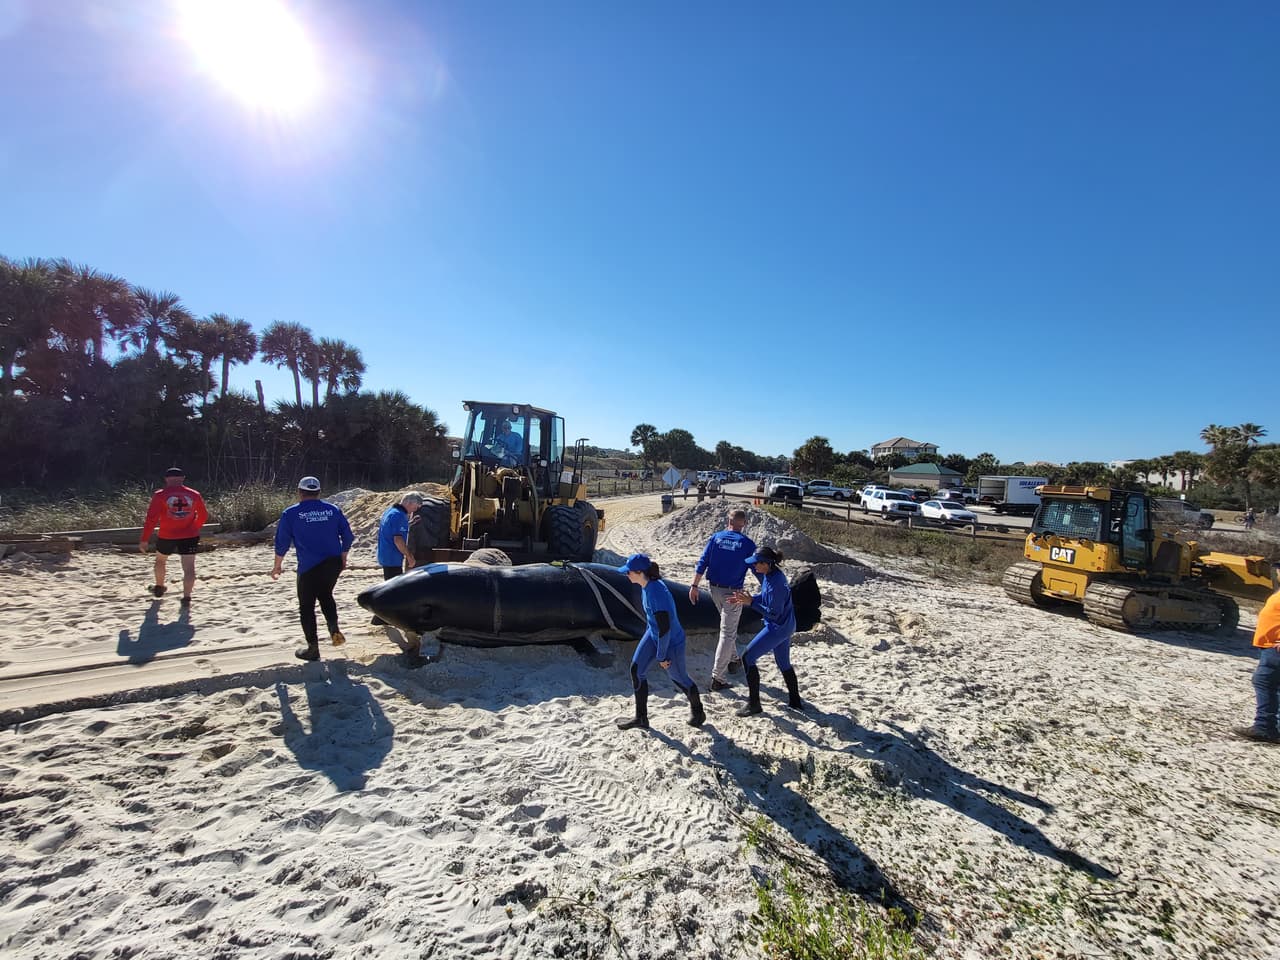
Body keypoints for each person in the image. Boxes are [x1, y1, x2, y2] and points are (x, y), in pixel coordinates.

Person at [615, 553, 705, 731]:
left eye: (629, 572)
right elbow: (657, 625)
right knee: (636, 670)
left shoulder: (657, 593)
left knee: (679, 678)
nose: (627, 575)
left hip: (671, 641)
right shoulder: (646, 584)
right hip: (654, 633)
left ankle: (698, 711)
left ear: (640, 572)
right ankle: (641, 719)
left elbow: (665, 629)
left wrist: (661, 656)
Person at [271, 476, 355, 661]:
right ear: (318, 493)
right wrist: (343, 556)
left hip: (309, 566)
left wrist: (277, 566)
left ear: (300, 492)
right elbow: (348, 536)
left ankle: (313, 648)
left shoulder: (290, 513)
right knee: (326, 595)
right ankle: (334, 631)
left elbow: (282, 542)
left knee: (306, 607)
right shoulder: (333, 510)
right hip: (332, 563)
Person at [727, 545, 803, 716]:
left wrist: (751, 603)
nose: (754, 566)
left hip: (778, 627)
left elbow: (774, 614)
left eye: (756, 564)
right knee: (783, 663)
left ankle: (754, 705)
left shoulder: (777, 584)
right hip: (786, 625)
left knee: (748, 657)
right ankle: (795, 701)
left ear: (766, 563)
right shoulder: (771, 574)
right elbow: (765, 596)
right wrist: (749, 598)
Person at [689, 508, 757, 691]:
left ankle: (734, 660)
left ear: (729, 521)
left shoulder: (716, 538)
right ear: (744, 524)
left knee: (728, 627)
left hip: (714, 589)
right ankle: (717, 677)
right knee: (727, 632)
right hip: (733, 593)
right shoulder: (747, 544)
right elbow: (757, 570)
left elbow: (703, 562)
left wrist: (694, 586)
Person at [139, 466, 209, 605]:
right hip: (189, 535)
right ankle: (186, 597)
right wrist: (194, 527)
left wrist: (144, 539)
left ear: (166, 479)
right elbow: (203, 515)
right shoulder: (194, 494)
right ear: (183, 478)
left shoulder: (160, 495)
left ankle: (159, 587)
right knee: (189, 568)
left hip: (167, 535)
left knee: (160, 560)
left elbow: (151, 519)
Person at [1234, 571, 1280, 743]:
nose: (1277, 572)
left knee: (1264, 681)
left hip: (1275, 648)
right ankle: (1271, 728)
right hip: (1270, 645)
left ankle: (1264, 727)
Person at [371, 494, 419, 624]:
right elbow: (398, 540)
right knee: (394, 589)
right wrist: (409, 556)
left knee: (390, 587)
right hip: (393, 557)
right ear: (409, 503)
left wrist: (409, 524)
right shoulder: (399, 516)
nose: (415, 510)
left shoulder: (390, 511)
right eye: (415, 507)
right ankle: (380, 618)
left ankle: (380, 618)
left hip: (385, 554)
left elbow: (392, 529)